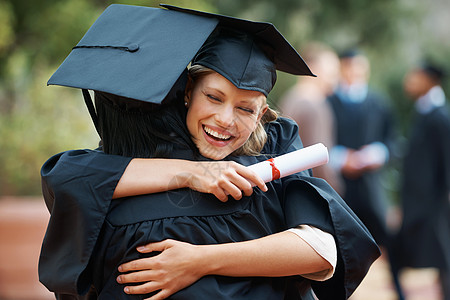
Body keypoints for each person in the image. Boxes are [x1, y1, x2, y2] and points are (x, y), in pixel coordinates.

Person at [39, 4, 380, 300]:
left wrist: (197, 261)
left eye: (246, 109)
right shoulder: (145, 153)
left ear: (263, 114)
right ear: (188, 91)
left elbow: (321, 250)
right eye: (213, 98)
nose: (225, 120)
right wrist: (194, 173)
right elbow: (68, 177)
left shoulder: (275, 148)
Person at [326, 49, 403, 299]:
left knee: (389, 243)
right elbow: (319, 139)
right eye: (348, 67)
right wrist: (340, 158)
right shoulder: (328, 102)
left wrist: (377, 154)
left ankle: (400, 292)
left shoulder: (379, 102)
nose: (353, 72)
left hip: (373, 188)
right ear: (341, 69)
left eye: (358, 67)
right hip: (340, 188)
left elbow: (392, 142)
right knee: (339, 245)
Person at [396, 62, 450, 300]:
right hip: (417, 202)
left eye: (415, 76)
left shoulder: (440, 117)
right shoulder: (423, 112)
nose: (408, 81)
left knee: (444, 259)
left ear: (430, 80)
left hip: (433, 205)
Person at [279, 42, 343, 193]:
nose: (336, 78)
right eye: (332, 71)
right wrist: (335, 191)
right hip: (311, 189)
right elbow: (320, 157)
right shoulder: (313, 102)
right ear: (313, 67)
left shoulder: (291, 96)